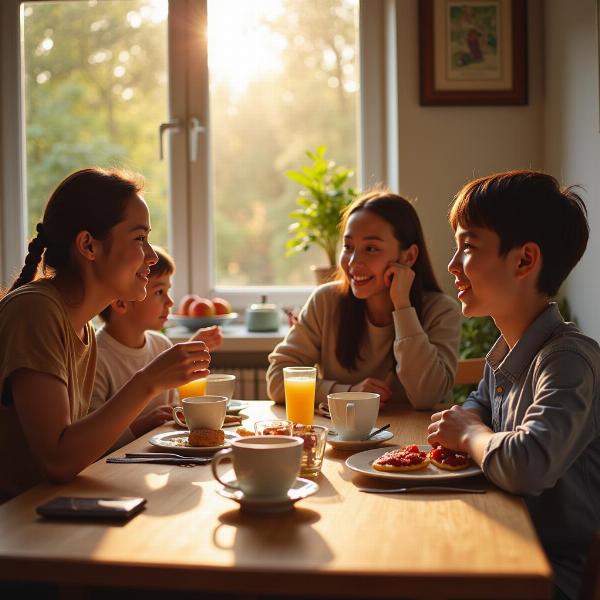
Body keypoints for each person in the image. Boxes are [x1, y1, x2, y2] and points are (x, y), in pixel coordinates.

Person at [427, 170, 600, 600]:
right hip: (505, 543)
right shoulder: (510, 349)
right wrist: (473, 421)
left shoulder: (567, 361)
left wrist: (469, 433)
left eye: (467, 247)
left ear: (524, 260)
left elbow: (528, 463)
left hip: (550, 574)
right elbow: (479, 403)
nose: (452, 265)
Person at [0, 168, 210, 503]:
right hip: (16, 525)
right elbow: (58, 460)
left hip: (49, 509)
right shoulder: (34, 312)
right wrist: (148, 382)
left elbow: (79, 452)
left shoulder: (81, 327)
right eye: (139, 239)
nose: (152, 256)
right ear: (88, 245)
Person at [267, 189, 462, 409]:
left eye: (371, 248)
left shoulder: (441, 311)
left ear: (408, 256)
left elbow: (428, 397)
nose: (353, 262)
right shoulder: (325, 301)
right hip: (340, 440)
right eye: (348, 247)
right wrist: (349, 394)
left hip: (415, 440)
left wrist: (402, 305)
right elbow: (277, 380)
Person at [91, 245, 223, 450]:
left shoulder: (161, 345)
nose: (170, 302)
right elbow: (93, 442)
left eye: (168, 291)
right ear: (121, 303)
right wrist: (141, 426)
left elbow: (173, 412)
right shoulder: (96, 358)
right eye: (159, 291)